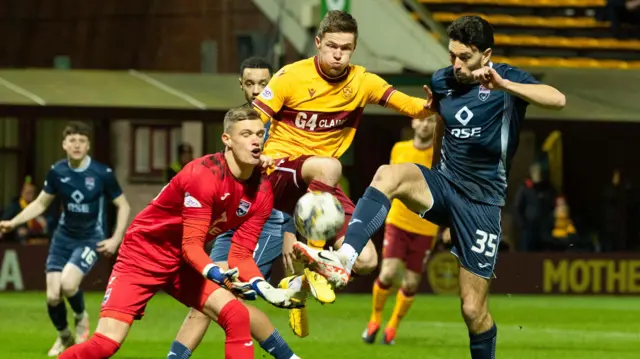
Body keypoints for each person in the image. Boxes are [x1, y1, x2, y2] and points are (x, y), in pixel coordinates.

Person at [294, 15, 566, 359]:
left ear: (486, 54)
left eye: (464, 58)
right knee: (388, 174)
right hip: (442, 184)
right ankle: (345, 258)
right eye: (452, 55)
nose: (456, 64)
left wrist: (505, 86)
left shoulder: (507, 78)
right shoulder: (443, 81)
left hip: (482, 204)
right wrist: (435, 178)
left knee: (472, 310)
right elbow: (441, 126)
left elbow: (557, 99)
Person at [57, 106, 301, 359]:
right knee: (105, 345)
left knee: (236, 314)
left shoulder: (262, 191)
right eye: (246, 134)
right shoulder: (203, 175)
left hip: (182, 262)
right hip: (143, 254)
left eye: (259, 134)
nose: (255, 141)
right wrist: (218, 273)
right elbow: (192, 246)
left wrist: (262, 285)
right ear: (227, 140)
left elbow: (240, 255)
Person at [251, 9, 433, 335]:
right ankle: (319, 260)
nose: (338, 54)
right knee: (330, 164)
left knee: (365, 260)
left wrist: (434, 104)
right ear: (318, 43)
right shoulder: (290, 76)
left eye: (346, 48)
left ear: (354, 48)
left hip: (321, 184)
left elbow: (410, 105)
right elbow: (250, 123)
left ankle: (298, 288)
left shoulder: (362, 82)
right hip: (280, 171)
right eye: (332, 45)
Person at [165, 57, 314, 359]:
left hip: (270, 222)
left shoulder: (287, 125)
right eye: (250, 83)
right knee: (210, 295)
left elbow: (295, 180)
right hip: (236, 220)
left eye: (264, 83)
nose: (257, 90)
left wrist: (288, 231)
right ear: (241, 85)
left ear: (275, 83)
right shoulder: (240, 124)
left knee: (224, 294)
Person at [0, 122, 131, 357]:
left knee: (69, 284)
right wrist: (13, 222)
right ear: (64, 145)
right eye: (72, 141)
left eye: (82, 141)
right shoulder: (58, 171)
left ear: (88, 145)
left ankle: (81, 319)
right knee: (52, 295)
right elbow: (40, 203)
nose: (77, 145)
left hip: (91, 238)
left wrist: (116, 238)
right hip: (63, 238)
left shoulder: (102, 173)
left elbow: (123, 205)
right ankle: (64, 336)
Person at [362, 114, 439, 345]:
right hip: (398, 219)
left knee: (411, 283)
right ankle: (374, 321)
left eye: (430, 121)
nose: (425, 124)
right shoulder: (399, 149)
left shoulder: (439, 155)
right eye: (421, 120)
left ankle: (392, 327)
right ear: (413, 123)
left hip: (426, 225)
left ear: (436, 126)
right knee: (387, 273)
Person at [0, 178, 51, 243]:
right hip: (17, 239)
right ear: (22, 192)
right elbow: (5, 222)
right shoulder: (14, 207)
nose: (30, 195)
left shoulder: (38, 207)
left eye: (32, 193)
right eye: (28, 192)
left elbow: (44, 227)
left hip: (34, 236)